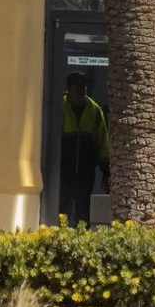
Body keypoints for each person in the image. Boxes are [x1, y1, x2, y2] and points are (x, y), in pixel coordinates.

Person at [56, 71, 109, 226]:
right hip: (62, 171)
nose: (82, 89)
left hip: (85, 173)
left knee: (82, 212)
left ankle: (81, 243)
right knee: (61, 209)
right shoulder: (59, 108)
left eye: (84, 85)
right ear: (69, 89)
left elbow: (102, 140)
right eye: (77, 86)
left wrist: (106, 169)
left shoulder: (94, 111)